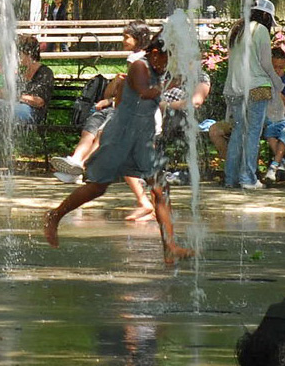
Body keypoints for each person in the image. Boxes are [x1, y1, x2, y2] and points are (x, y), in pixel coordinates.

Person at [41, 22, 188, 264]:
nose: (168, 64)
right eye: (166, 58)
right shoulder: (140, 66)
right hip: (119, 137)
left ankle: (170, 246)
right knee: (98, 187)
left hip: (141, 138)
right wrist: (172, 84)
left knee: (161, 190)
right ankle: (55, 216)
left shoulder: (156, 66)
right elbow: (145, 92)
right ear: (154, 54)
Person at [0, 34, 54, 174]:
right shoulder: (18, 72)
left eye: (17, 53)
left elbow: (39, 101)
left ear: (28, 54)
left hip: (30, 113)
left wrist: (14, 96)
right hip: (11, 109)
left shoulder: (44, 72)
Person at [223, 0, 285, 189]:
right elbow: (266, 64)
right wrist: (278, 84)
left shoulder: (236, 29)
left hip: (234, 88)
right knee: (252, 133)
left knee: (238, 132)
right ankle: (248, 178)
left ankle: (230, 178)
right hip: (258, 87)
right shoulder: (261, 30)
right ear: (266, 15)